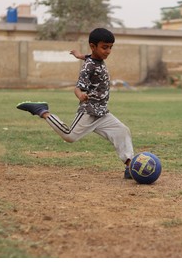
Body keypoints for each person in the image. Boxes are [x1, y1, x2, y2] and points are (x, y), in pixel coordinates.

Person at [16, 28, 134, 179]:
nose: (108, 51)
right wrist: (81, 96)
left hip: (102, 112)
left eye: (111, 47)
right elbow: (77, 87)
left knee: (122, 131)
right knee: (70, 136)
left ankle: (131, 166)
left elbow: (91, 58)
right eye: (105, 47)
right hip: (89, 110)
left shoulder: (95, 59)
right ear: (93, 46)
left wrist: (80, 55)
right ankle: (42, 111)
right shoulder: (87, 67)